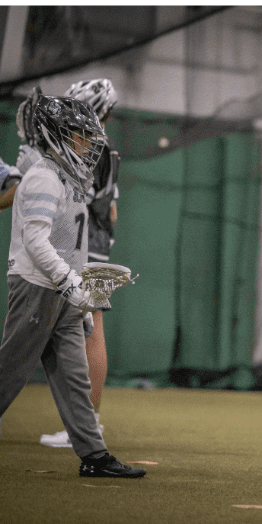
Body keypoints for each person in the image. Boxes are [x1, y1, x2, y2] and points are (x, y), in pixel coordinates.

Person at [0, 94, 145, 478]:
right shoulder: (45, 177)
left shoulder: (71, 178)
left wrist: (77, 296)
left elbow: (73, 246)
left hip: (63, 292)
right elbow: (36, 240)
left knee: (75, 378)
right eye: (81, 134)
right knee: (10, 372)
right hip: (37, 287)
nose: (88, 142)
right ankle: (94, 454)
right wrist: (68, 284)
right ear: (58, 134)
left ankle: (94, 455)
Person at [39, 79, 120, 448]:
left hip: (88, 250)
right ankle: (88, 425)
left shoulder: (93, 146)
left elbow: (74, 198)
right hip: (96, 246)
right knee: (88, 330)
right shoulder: (108, 149)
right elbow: (112, 209)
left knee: (88, 332)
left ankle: (87, 426)